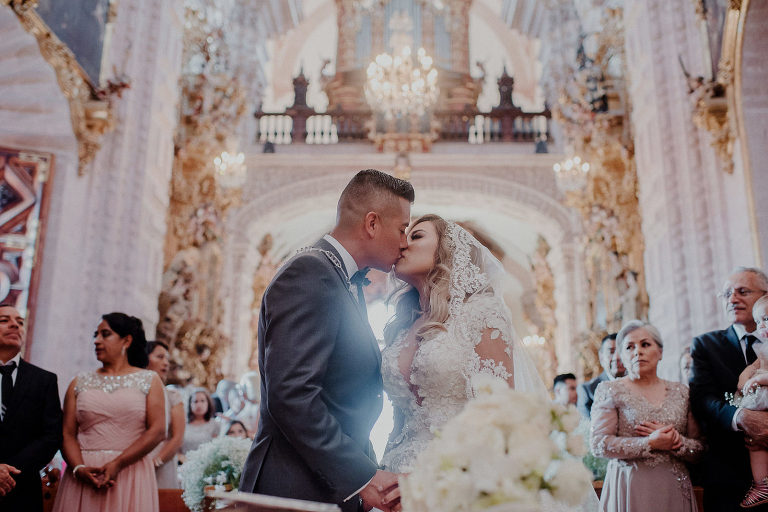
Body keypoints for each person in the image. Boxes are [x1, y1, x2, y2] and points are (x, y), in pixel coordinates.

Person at [379, 215, 597, 511]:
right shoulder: (400, 328)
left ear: (447, 250)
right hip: (393, 478)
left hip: (457, 481)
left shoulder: (481, 313)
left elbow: (500, 416)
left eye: (416, 236)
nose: (403, 244)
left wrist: (429, 482)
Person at [239, 169, 413, 512]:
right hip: (294, 488)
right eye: (403, 228)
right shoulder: (310, 273)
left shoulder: (339, 279)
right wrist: (363, 475)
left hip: (324, 486)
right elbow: (291, 393)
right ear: (372, 223)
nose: (405, 241)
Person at [53, 312, 165, 512]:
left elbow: (157, 431)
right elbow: (67, 433)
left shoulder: (149, 380)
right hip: (84, 473)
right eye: (95, 335)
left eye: (105, 334)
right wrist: (78, 469)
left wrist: (118, 463)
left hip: (130, 472)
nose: (96, 341)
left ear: (126, 340)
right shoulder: (79, 382)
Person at [591, 320, 703, 511]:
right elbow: (599, 444)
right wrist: (650, 443)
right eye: (629, 347)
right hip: (629, 488)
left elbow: (699, 448)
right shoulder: (610, 390)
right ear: (622, 356)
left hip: (673, 487)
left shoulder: (681, 392)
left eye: (645, 344)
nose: (638, 351)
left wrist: (676, 441)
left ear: (660, 352)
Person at [690, 267, 768, 511]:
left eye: (742, 291)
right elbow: (702, 398)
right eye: (726, 294)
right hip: (730, 473)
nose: (732, 299)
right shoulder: (706, 345)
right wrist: (740, 416)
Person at [0, 304, 62, 512]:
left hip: (21, 488)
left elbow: (51, 436)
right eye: (4, 320)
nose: (15, 326)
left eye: (20, 322)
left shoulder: (44, 380)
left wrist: (9, 471)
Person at [729, 294, 768, 506]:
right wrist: (745, 376)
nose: (762, 326)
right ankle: (762, 484)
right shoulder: (763, 346)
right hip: (761, 400)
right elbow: (753, 366)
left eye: (767, 319)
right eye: (759, 321)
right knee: (755, 443)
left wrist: (760, 378)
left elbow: (761, 372)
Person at [145, 341, 184, 488]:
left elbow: (177, 438)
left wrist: (155, 462)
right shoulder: (134, 394)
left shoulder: (172, 396)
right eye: (160, 357)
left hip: (163, 461)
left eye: (167, 359)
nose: (166, 363)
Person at [577, 333, 625, 419]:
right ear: (601, 357)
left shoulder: (639, 383)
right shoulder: (587, 390)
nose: (617, 357)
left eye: (622, 351)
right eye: (611, 351)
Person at [181, 388, 218, 458]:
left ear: (208, 403)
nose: (199, 405)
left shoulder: (215, 425)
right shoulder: (183, 425)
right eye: (195, 401)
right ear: (190, 404)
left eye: (202, 401)